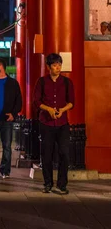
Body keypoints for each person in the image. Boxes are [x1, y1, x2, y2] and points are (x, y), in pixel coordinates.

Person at [33, 52, 75, 195]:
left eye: (59, 65)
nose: (58, 67)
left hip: (62, 123)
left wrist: (62, 110)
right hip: (46, 122)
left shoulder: (67, 82)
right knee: (47, 154)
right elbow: (37, 101)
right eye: (55, 65)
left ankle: (62, 184)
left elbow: (71, 102)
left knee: (64, 153)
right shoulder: (42, 81)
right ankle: (48, 183)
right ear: (49, 67)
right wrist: (49, 109)